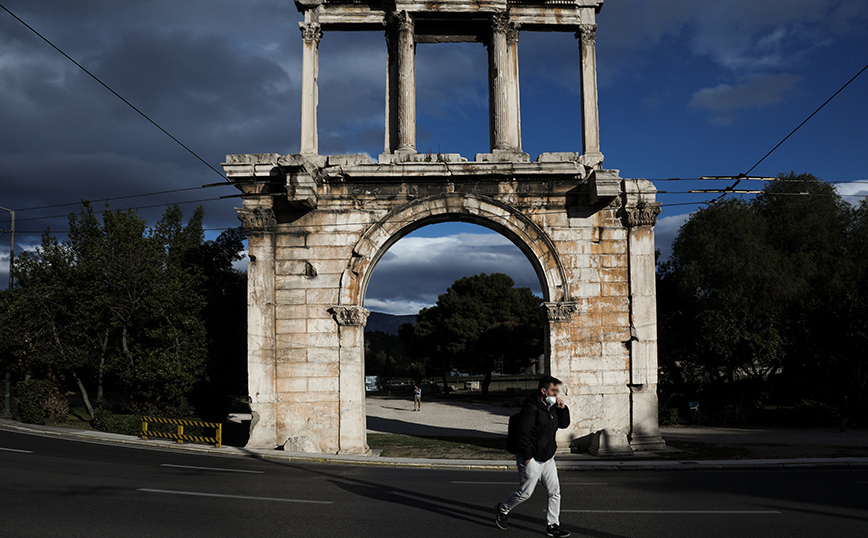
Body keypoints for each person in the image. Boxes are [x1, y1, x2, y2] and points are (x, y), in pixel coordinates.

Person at [496, 375, 571, 537]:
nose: (556, 394)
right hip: (532, 458)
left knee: (555, 492)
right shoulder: (531, 408)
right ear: (543, 391)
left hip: (548, 457)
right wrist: (527, 457)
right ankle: (503, 509)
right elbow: (524, 434)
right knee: (525, 493)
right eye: (553, 390)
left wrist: (562, 409)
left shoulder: (552, 408)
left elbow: (564, 424)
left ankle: (553, 525)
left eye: (557, 391)